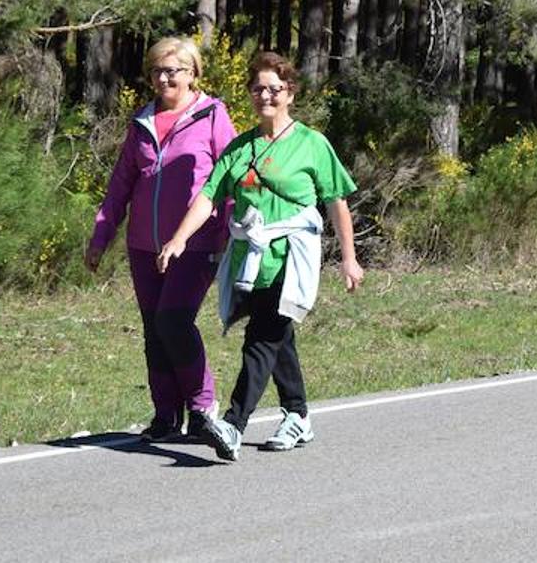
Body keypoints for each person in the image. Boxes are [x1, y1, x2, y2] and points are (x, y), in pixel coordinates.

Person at [156, 52, 365, 460]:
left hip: (293, 253)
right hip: (253, 258)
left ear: (289, 92)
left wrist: (349, 258)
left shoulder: (311, 144)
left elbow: (337, 203)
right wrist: (180, 238)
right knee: (277, 335)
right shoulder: (240, 148)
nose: (265, 96)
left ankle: (233, 424)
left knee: (262, 335)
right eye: (257, 89)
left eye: (273, 88)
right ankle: (298, 414)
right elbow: (209, 196)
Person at [85, 37, 238, 441]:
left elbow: (233, 177)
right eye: (158, 70)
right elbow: (121, 184)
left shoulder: (212, 115)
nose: (165, 77)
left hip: (196, 241)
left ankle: (202, 407)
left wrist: (226, 232)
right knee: (155, 328)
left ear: (193, 74)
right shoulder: (142, 121)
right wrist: (103, 233)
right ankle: (166, 415)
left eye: (175, 70)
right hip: (143, 244)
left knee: (174, 320)